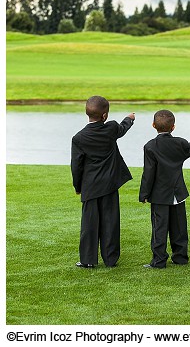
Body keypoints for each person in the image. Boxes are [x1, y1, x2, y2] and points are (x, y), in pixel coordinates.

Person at [71, 95, 135, 268]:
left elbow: (76, 166)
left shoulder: (78, 138)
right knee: (111, 222)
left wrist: (78, 187)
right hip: (110, 185)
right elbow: (122, 128)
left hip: (90, 187)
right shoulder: (111, 128)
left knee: (89, 225)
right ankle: (110, 259)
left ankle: (88, 260)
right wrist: (129, 119)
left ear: (87, 113)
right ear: (105, 115)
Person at [139, 109, 190, 269]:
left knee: (159, 227)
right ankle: (180, 257)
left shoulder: (150, 146)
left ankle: (159, 261)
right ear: (173, 127)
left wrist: (144, 194)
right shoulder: (180, 143)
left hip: (159, 195)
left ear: (153, 125)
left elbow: (149, 173)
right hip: (178, 192)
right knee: (180, 226)